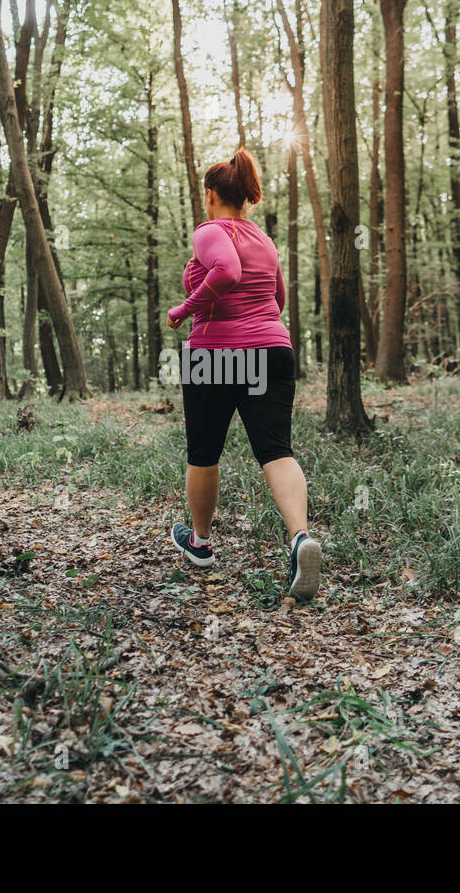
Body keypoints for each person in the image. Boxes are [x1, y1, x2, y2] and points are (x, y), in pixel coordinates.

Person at [166, 147, 322, 601]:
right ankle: (299, 538)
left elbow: (227, 271)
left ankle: (199, 543)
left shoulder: (210, 231)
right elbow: (278, 299)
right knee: (276, 451)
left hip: (214, 354)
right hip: (273, 350)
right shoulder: (265, 240)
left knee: (204, 453)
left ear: (211, 195)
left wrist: (183, 309)